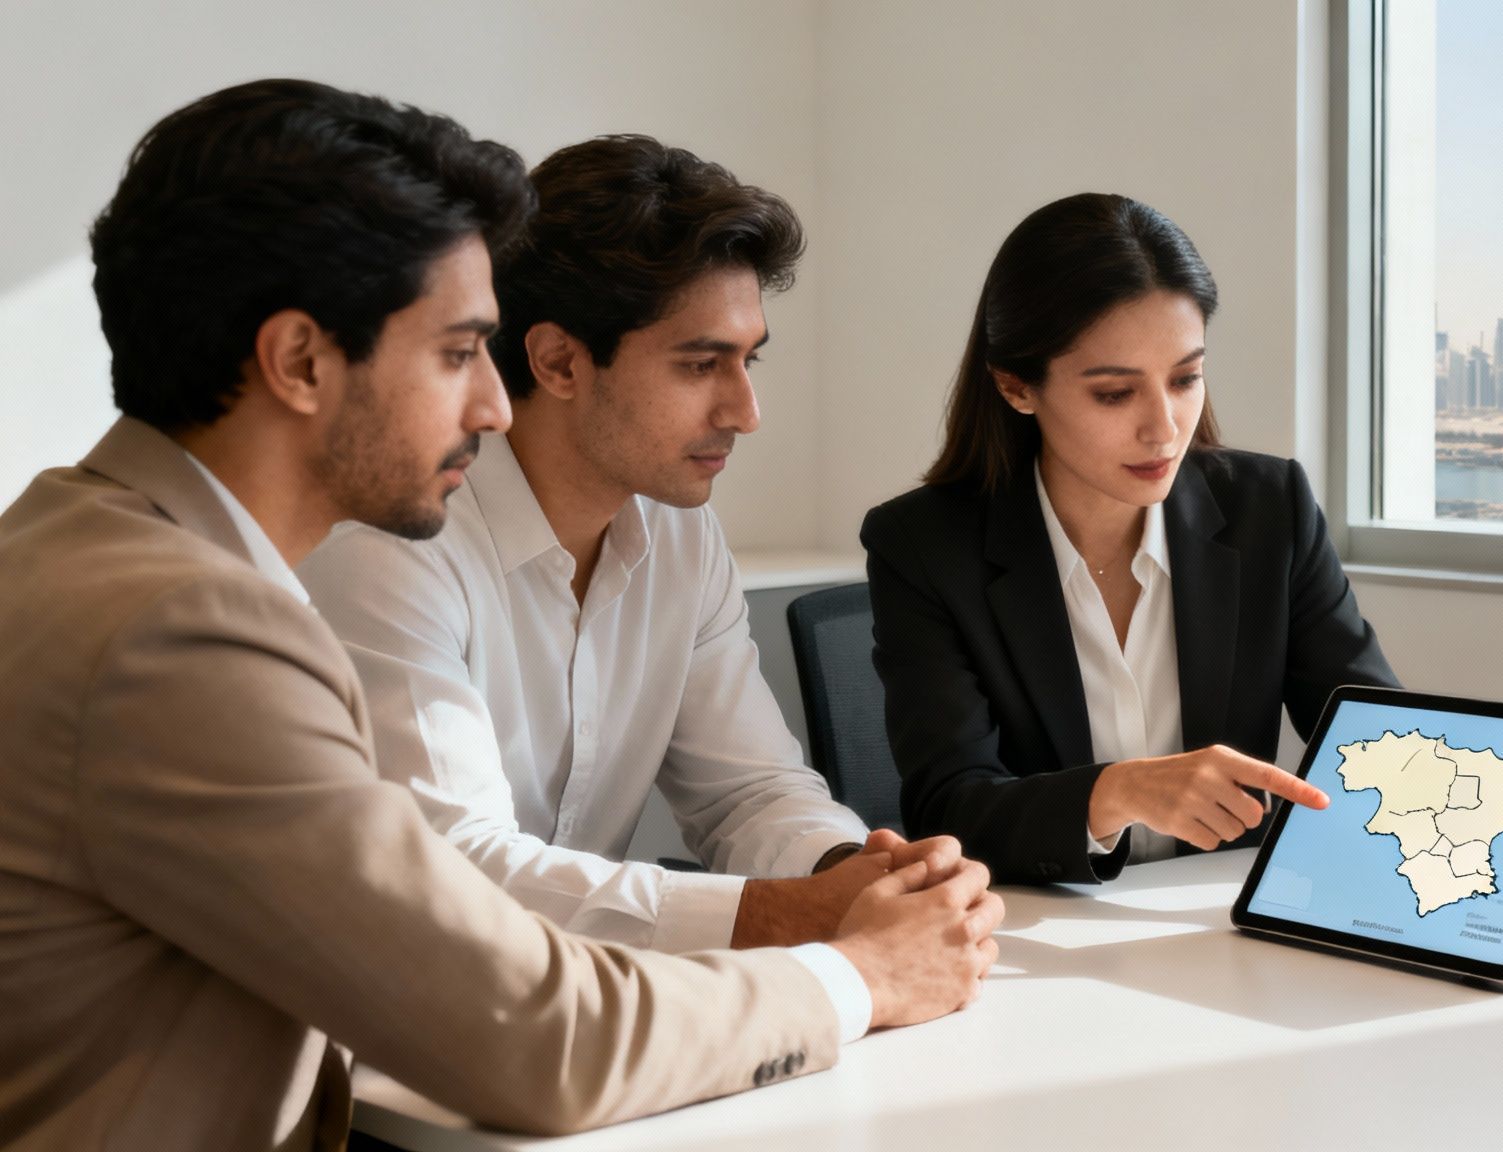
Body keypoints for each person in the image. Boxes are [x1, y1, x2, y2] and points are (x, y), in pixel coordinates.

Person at [0, 80, 999, 1151]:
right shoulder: (181, 636)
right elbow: (538, 1039)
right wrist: (853, 975)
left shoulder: (92, 556)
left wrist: (847, 886)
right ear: (297, 360)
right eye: (455, 351)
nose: (489, 404)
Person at [299, 134, 944, 956]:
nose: (746, 411)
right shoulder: (392, 541)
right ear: (560, 361)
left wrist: (856, 871)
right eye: (701, 364)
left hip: (573, 1004)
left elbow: (747, 793)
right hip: (382, 1030)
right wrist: (793, 915)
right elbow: (458, 870)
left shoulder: (680, 532)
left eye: (748, 361)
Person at [861, 192, 1401, 886]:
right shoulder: (923, 546)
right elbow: (950, 806)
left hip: (1218, 925)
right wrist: (1117, 792)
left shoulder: (1272, 509)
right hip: (1040, 937)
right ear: (1016, 386)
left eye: (1185, 379)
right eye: (1115, 393)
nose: (1165, 428)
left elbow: (1377, 734)